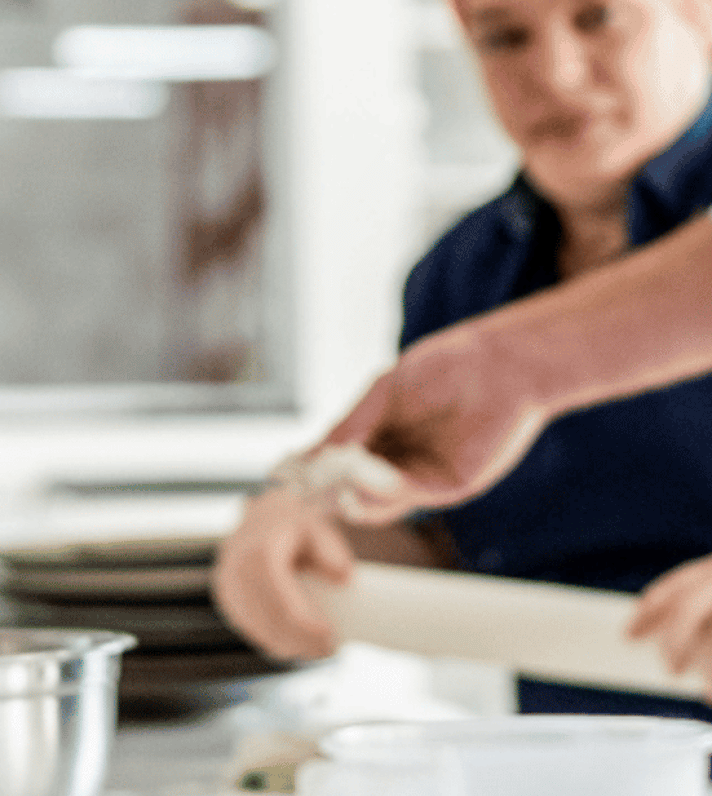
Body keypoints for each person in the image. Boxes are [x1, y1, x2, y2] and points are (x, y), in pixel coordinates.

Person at [213, 0, 712, 711]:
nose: (556, 74)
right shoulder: (457, 277)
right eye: (504, 37)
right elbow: (452, 541)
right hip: (569, 761)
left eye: (599, 17)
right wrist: (314, 531)